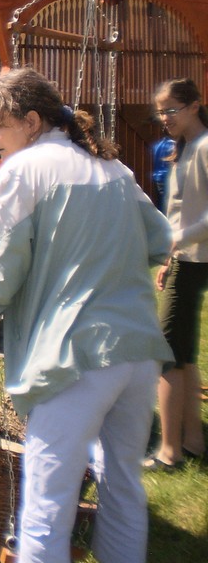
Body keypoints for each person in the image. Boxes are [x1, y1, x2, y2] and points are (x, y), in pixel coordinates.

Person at [0, 67, 173, 563]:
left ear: (30, 121)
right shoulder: (114, 168)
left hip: (73, 359)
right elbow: (159, 239)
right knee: (123, 486)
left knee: (48, 499)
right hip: (137, 350)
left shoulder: (25, 171)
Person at [148, 78, 208, 468]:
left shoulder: (204, 147)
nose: (164, 118)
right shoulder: (184, 148)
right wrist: (171, 258)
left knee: (166, 354)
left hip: (196, 259)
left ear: (194, 106)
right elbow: (181, 210)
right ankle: (194, 441)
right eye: (160, 112)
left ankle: (169, 453)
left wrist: (175, 242)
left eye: (171, 110)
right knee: (182, 352)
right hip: (185, 259)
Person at [150, 135, 176, 212]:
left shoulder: (158, 145)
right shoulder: (173, 145)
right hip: (167, 179)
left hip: (158, 179)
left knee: (161, 206)